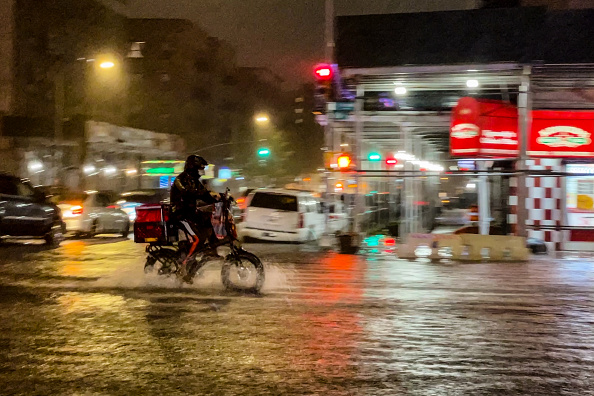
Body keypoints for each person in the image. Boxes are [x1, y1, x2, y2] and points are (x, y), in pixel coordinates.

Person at [170, 155, 219, 281]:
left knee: (207, 220)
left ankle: (211, 250)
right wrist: (202, 194)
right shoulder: (180, 180)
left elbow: (205, 194)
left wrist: (219, 198)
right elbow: (187, 192)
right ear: (192, 167)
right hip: (180, 215)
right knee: (196, 239)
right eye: (199, 168)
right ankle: (184, 265)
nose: (200, 171)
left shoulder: (195, 180)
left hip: (190, 213)